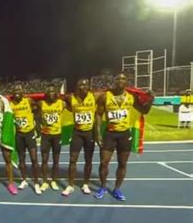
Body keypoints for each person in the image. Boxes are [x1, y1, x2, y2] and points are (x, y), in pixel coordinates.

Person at [95, 72, 153, 201]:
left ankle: (117, 189)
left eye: (123, 79)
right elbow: (98, 114)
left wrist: (150, 100)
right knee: (104, 162)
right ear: (114, 81)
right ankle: (103, 187)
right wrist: (98, 134)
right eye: (118, 78)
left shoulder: (131, 96)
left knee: (122, 163)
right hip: (109, 133)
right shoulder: (105, 96)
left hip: (124, 134)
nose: (120, 80)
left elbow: (144, 110)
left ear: (127, 81)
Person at [62, 78, 99, 196]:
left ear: (89, 86)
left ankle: (86, 184)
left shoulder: (95, 96)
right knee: (72, 160)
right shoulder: (70, 98)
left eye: (85, 85)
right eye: (81, 85)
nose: (83, 87)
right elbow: (58, 98)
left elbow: (111, 94)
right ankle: (70, 185)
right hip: (77, 133)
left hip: (89, 133)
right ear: (77, 87)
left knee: (88, 160)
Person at [9, 84, 41, 195]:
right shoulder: (10, 104)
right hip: (19, 135)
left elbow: (37, 111)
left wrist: (37, 125)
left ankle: (36, 183)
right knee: (21, 159)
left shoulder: (29, 101)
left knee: (34, 158)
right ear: (12, 93)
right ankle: (24, 180)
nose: (17, 91)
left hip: (30, 133)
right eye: (15, 89)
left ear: (23, 91)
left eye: (19, 89)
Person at [38, 84, 66, 193]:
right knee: (44, 159)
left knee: (56, 160)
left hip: (57, 134)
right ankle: (45, 181)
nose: (51, 93)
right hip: (45, 135)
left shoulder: (62, 103)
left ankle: (54, 180)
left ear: (56, 93)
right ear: (46, 94)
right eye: (48, 91)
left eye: (53, 91)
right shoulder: (41, 103)